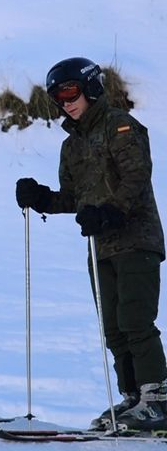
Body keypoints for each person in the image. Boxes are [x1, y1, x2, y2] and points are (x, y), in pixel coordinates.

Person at [15, 57, 167, 431]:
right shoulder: (72, 146)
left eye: (70, 92)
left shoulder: (121, 126)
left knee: (134, 318)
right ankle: (133, 396)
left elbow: (136, 177)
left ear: (91, 86)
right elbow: (75, 198)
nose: (65, 102)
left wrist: (111, 212)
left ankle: (158, 397)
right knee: (113, 326)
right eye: (57, 97)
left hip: (136, 239)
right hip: (101, 246)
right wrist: (42, 198)